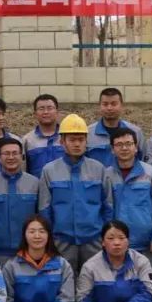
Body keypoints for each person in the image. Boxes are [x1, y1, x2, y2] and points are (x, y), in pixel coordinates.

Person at [38, 114, 111, 273]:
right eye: (72, 140)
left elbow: (108, 206)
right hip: (61, 242)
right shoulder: (49, 171)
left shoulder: (98, 169)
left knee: (96, 281)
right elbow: (44, 209)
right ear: (62, 142)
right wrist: (50, 239)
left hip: (94, 241)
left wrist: (105, 236)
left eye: (81, 140)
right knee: (63, 281)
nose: (77, 144)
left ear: (86, 141)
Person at [104, 128, 152, 262]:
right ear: (112, 149)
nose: (124, 148)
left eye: (128, 144)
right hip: (116, 244)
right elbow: (105, 209)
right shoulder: (107, 175)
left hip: (147, 245)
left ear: (136, 147)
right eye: (119, 145)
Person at [0, 138, 40, 265]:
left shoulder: (35, 184)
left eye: (15, 153)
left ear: (22, 156)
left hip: (29, 251)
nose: (11, 157)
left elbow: (40, 216)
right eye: (6, 153)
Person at [86, 88, 146, 168]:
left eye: (114, 104)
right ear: (99, 106)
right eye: (105, 104)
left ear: (121, 105)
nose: (109, 108)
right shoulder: (88, 133)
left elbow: (143, 161)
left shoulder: (136, 132)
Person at [22, 94, 64, 178]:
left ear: (57, 112)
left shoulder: (66, 136)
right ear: (35, 114)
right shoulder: (27, 140)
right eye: (41, 109)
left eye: (50, 108)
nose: (46, 112)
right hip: (37, 185)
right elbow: (23, 171)